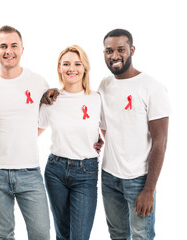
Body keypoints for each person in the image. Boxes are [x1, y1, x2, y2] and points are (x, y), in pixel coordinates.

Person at [0, 25, 50, 239]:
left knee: (41, 233)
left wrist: (24, 135)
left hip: (29, 170)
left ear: (22, 49)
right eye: (3, 46)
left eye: (13, 46)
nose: (9, 51)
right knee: (4, 235)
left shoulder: (38, 82)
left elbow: (47, 118)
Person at [98, 29, 170, 239]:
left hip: (138, 180)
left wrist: (149, 189)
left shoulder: (152, 87)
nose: (115, 56)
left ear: (132, 50)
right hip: (109, 176)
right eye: (109, 51)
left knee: (141, 236)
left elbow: (160, 142)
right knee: (117, 235)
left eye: (121, 50)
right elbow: (106, 126)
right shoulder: (104, 84)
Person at [38, 45, 101, 240]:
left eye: (77, 64)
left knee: (80, 235)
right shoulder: (51, 100)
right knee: (62, 233)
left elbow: (109, 131)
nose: (71, 68)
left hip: (86, 171)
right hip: (55, 170)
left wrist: (101, 141)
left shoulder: (96, 98)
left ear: (85, 68)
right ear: (59, 68)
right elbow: (31, 133)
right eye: (66, 64)